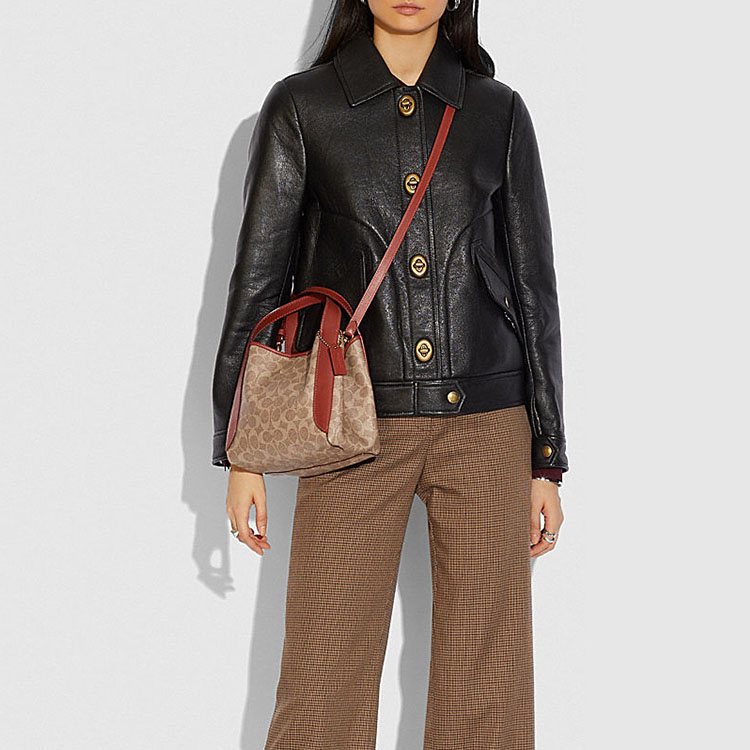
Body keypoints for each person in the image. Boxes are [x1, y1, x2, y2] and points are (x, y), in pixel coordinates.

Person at [211, 1, 568, 747]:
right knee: (323, 682)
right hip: (349, 425)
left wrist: (547, 457)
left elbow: (534, 287)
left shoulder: (497, 112)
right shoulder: (303, 108)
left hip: (488, 424)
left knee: (488, 688)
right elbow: (259, 284)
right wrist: (240, 449)